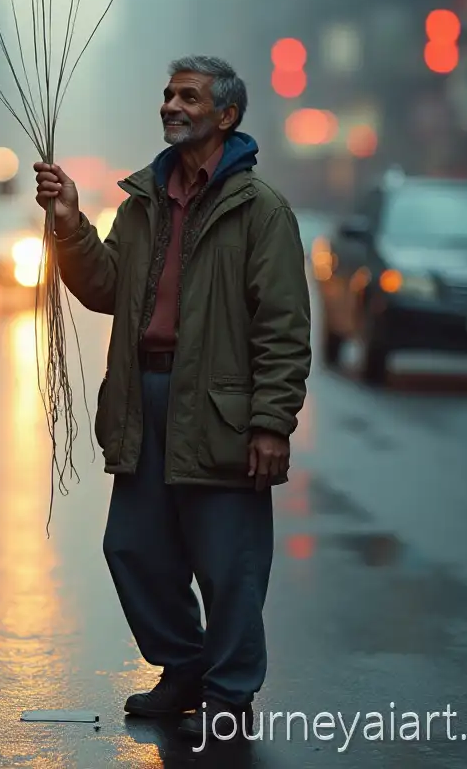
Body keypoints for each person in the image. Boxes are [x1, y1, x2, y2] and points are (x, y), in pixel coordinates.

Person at [34, 55, 312, 743]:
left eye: (187, 96)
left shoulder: (261, 213)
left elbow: (283, 327)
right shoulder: (142, 203)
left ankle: (229, 691)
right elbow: (106, 289)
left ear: (227, 115)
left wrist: (271, 424)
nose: (170, 105)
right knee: (132, 547)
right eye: (166, 94)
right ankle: (184, 666)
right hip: (144, 397)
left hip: (218, 410)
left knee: (229, 564)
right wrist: (69, 224)